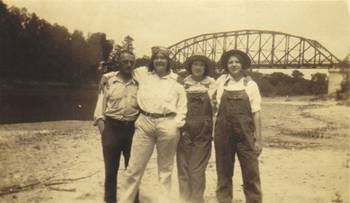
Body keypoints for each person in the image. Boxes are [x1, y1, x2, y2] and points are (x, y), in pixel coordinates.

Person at [119, 46, 187, 203]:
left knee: (165, 170)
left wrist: (177, 123)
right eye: (156, 58)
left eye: (163, 58)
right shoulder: (143, 74)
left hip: (168, 124)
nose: (159, 60)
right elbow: (124, 70)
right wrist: (106, 76)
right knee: (134, 168)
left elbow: (183, 105)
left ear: (168, 61)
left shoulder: (176, 81)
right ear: (152, 60)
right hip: (145, 123)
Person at [214, 50, 262, 203]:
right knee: (223, 173)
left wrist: (259, 140)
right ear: (226, 66)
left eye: (237, 62)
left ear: (242, 65)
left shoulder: (251, 84)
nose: (234, 65)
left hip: (245, 136)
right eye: (230, 62)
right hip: (223, 134)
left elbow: (256, 113)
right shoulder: (221, 82)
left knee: (251, 173)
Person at [94, 50, 139, 203]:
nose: (128, 65)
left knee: (132, 171)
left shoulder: (140, 82)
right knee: (111, 171)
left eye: (131, 62)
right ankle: (110, 200)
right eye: (125, 62)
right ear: (119, 63)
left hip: (132, 129)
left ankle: (133, 200)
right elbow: (99, 110)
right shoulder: (109, 82)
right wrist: (104, 132)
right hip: (112, 127)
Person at [176, 55, 216, 203]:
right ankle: (184, 199)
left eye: (201, 65)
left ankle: (197, 199)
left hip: (203, 130)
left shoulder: (212, 83)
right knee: (183, 168)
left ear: (205, 68)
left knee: (197, 169)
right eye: (195, 64)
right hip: (185, 128)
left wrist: (248, 77)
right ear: (190, 67)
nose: (198, 67)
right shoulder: (182, 83)